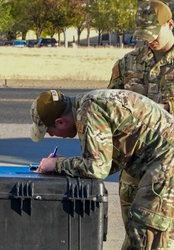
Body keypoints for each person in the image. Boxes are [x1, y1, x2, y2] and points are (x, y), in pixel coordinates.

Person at [31, 88, 174, 250]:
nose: (51, 135)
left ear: (60, 122)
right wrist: (66, 167)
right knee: (153, 234)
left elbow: (97, 168)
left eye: (49, 131)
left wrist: (56, 164)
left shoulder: (88, 110)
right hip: (163, 159)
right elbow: (110, 161)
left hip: (167, 161)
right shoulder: (89, 102)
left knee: (147, 230)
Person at [107, 0, 174, 240]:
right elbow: (109, 108)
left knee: (164, 241)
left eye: (154, 33)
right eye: (144, 34)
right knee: (134, 238)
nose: (150, 39)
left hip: (170, 171)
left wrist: (164, 108)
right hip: (134, 171)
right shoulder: (127, 64)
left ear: (171, 24)